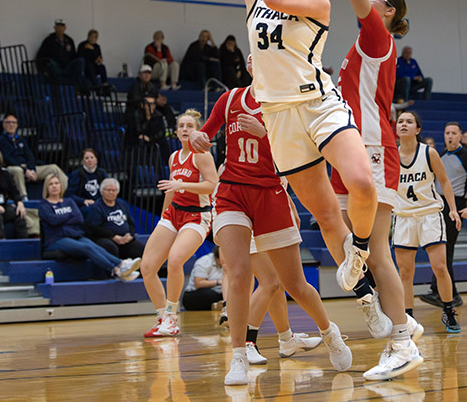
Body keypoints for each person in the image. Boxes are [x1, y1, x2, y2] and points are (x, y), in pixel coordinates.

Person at [227, 0, 376, 330]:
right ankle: (369, 304)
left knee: (363, 184)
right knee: (328, 218)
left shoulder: (316, 1)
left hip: (317, 103)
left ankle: (364, 248)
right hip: (280, 118)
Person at [189, 58, 351, 383]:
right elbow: (205, 136)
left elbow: (297, 157)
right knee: (237, 274)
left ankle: (329, 333)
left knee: (294, 284)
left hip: (271, 193)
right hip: (233, 191)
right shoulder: (230, 99)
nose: (253, 57)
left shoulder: (286, 105)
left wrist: (265, 133)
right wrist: (198, 140)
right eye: (250, 55)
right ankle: (238, 356)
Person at [326, 0, 422, 379]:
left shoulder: (376, 33)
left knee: (376, 248)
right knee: (344, 237)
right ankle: (397, 315)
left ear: (386, 12)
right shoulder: (363, 46)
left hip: (371, 146)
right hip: (351, 148)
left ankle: (402, 337)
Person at [140, 110, 216, 339]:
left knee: (174, 260)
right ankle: (162, 316)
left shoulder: (201, 155)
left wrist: (183, 184)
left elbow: (212, 185)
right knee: (147, 267)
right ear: (175, 131)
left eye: (190, 126)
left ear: (197, 131)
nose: (185, 129)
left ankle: (172, 318)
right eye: (181, 125)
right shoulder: (174, 157)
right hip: (174, 214)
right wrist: (164, 216)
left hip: (197, 216)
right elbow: (171, 189)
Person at [394, 111, 462, 333]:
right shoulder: (390, 155)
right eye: (401, 121)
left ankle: (449, 311)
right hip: (403, 217)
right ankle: (408, 318)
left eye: (409, 121)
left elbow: (444, 181)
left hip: (430, 215)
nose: (404, 124)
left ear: (418, 129)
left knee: (440, 267)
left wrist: (453, 209)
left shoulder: (429, 152)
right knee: (405, 273)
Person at [421, 121, 467, 309]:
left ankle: (451, 294)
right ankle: (438, 290)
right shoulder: (438, 155)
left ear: (460, 136)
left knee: (446, 250)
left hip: (455, 205)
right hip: (437, 205)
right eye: (447, 132)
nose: (449, 136)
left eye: (453, 133)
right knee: (438, 249)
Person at [38, 175, 140, 281]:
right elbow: (53, 220)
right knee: (87, 248)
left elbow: (78, 218)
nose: (54, 186)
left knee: (95, 246)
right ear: (46, 187)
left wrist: (62, 219)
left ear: (61, 186)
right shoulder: (43, 205)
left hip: (74, 234)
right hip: (56, 239)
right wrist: (69, 215)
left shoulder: (69, 201)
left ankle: (122, 264)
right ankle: (115, 270)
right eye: (51, 184)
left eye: (56, 183)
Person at [0, 112, 68, 199]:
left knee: (54, 168)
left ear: (17, 125)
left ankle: (63, 193)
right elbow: (8, 159)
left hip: (27, 168)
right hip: (11, 168)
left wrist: (31, 169)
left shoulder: (21, 140)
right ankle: (24, 198)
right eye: (8, 122)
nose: (11, 125)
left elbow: (30, 156)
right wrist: (25, 171)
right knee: (18, 171)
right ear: (3, 124)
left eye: (13, 122)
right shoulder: (0, 141)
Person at [83, 178, 144, 260]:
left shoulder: (122, 204)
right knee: (111, 247)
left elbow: (130, 222)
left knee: (141, 248)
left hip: (124, 238)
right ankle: (117, 270)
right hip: (105, 238)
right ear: (102, 191)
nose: (111, 193)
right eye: (108, 190)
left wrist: (130, 235)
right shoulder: (96, 207)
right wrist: (113, 237)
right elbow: (94, 228)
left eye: (114, 190)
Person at [36, 19, 88, 89]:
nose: (60, 28)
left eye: (62, 26)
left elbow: (74, 56)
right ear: (55, 28)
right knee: (52, 64)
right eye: (58, 26)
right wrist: (43, 70)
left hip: (67, 67)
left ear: (65, 28)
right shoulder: (49, 40)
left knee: (80, 61)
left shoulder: (69, 40)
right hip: (55, 67)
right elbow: (40, 56)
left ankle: (79, 88)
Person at [181, 246, 224, 311]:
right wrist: (219, 282)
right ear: (217, 258)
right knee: (209, 294)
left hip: (218, 293)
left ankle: (220, 305)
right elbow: (198, 283)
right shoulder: (204, 261)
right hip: (194, 294)